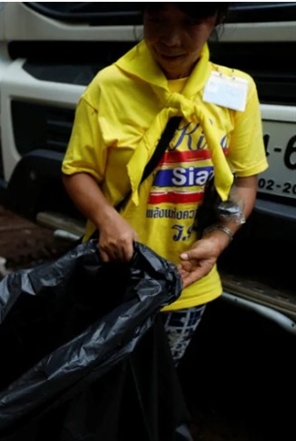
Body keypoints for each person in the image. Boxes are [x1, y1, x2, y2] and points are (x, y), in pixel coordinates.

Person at [61, 3, 268, 363]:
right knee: (99, 384)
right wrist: (109, 221)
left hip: (187, 282)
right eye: (156, 20)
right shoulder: (108, 87)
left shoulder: (237, 89)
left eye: (191, 23)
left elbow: (244, 181)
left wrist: (219, 239)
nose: (171, 40)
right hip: (115, 277)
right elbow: (77, 170)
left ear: (215, 19)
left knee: (159, 382)